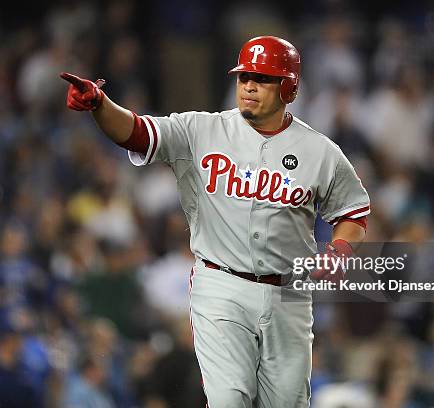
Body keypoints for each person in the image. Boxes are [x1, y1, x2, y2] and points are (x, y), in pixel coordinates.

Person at [61, 35, 370, 407]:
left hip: (289, 293)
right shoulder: (201, 130)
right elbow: (137, 132)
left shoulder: (319, 151)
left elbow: (352, 211)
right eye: (244, 77)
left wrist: (338, 249)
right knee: (229, 399)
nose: (249, 85)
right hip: (221, 284)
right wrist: (100, 104)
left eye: (262, 78)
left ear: (288, 86)